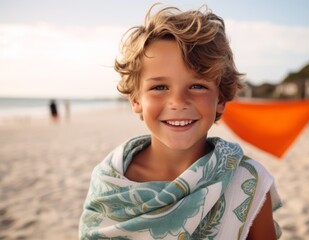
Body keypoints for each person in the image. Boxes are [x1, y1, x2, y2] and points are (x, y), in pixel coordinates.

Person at [79, 4, 282, 240]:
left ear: (221, 99)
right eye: (159, 87)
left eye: (197, 86)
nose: (178, 102)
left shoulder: (247, 181)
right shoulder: (109, 180)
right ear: (136, 100)